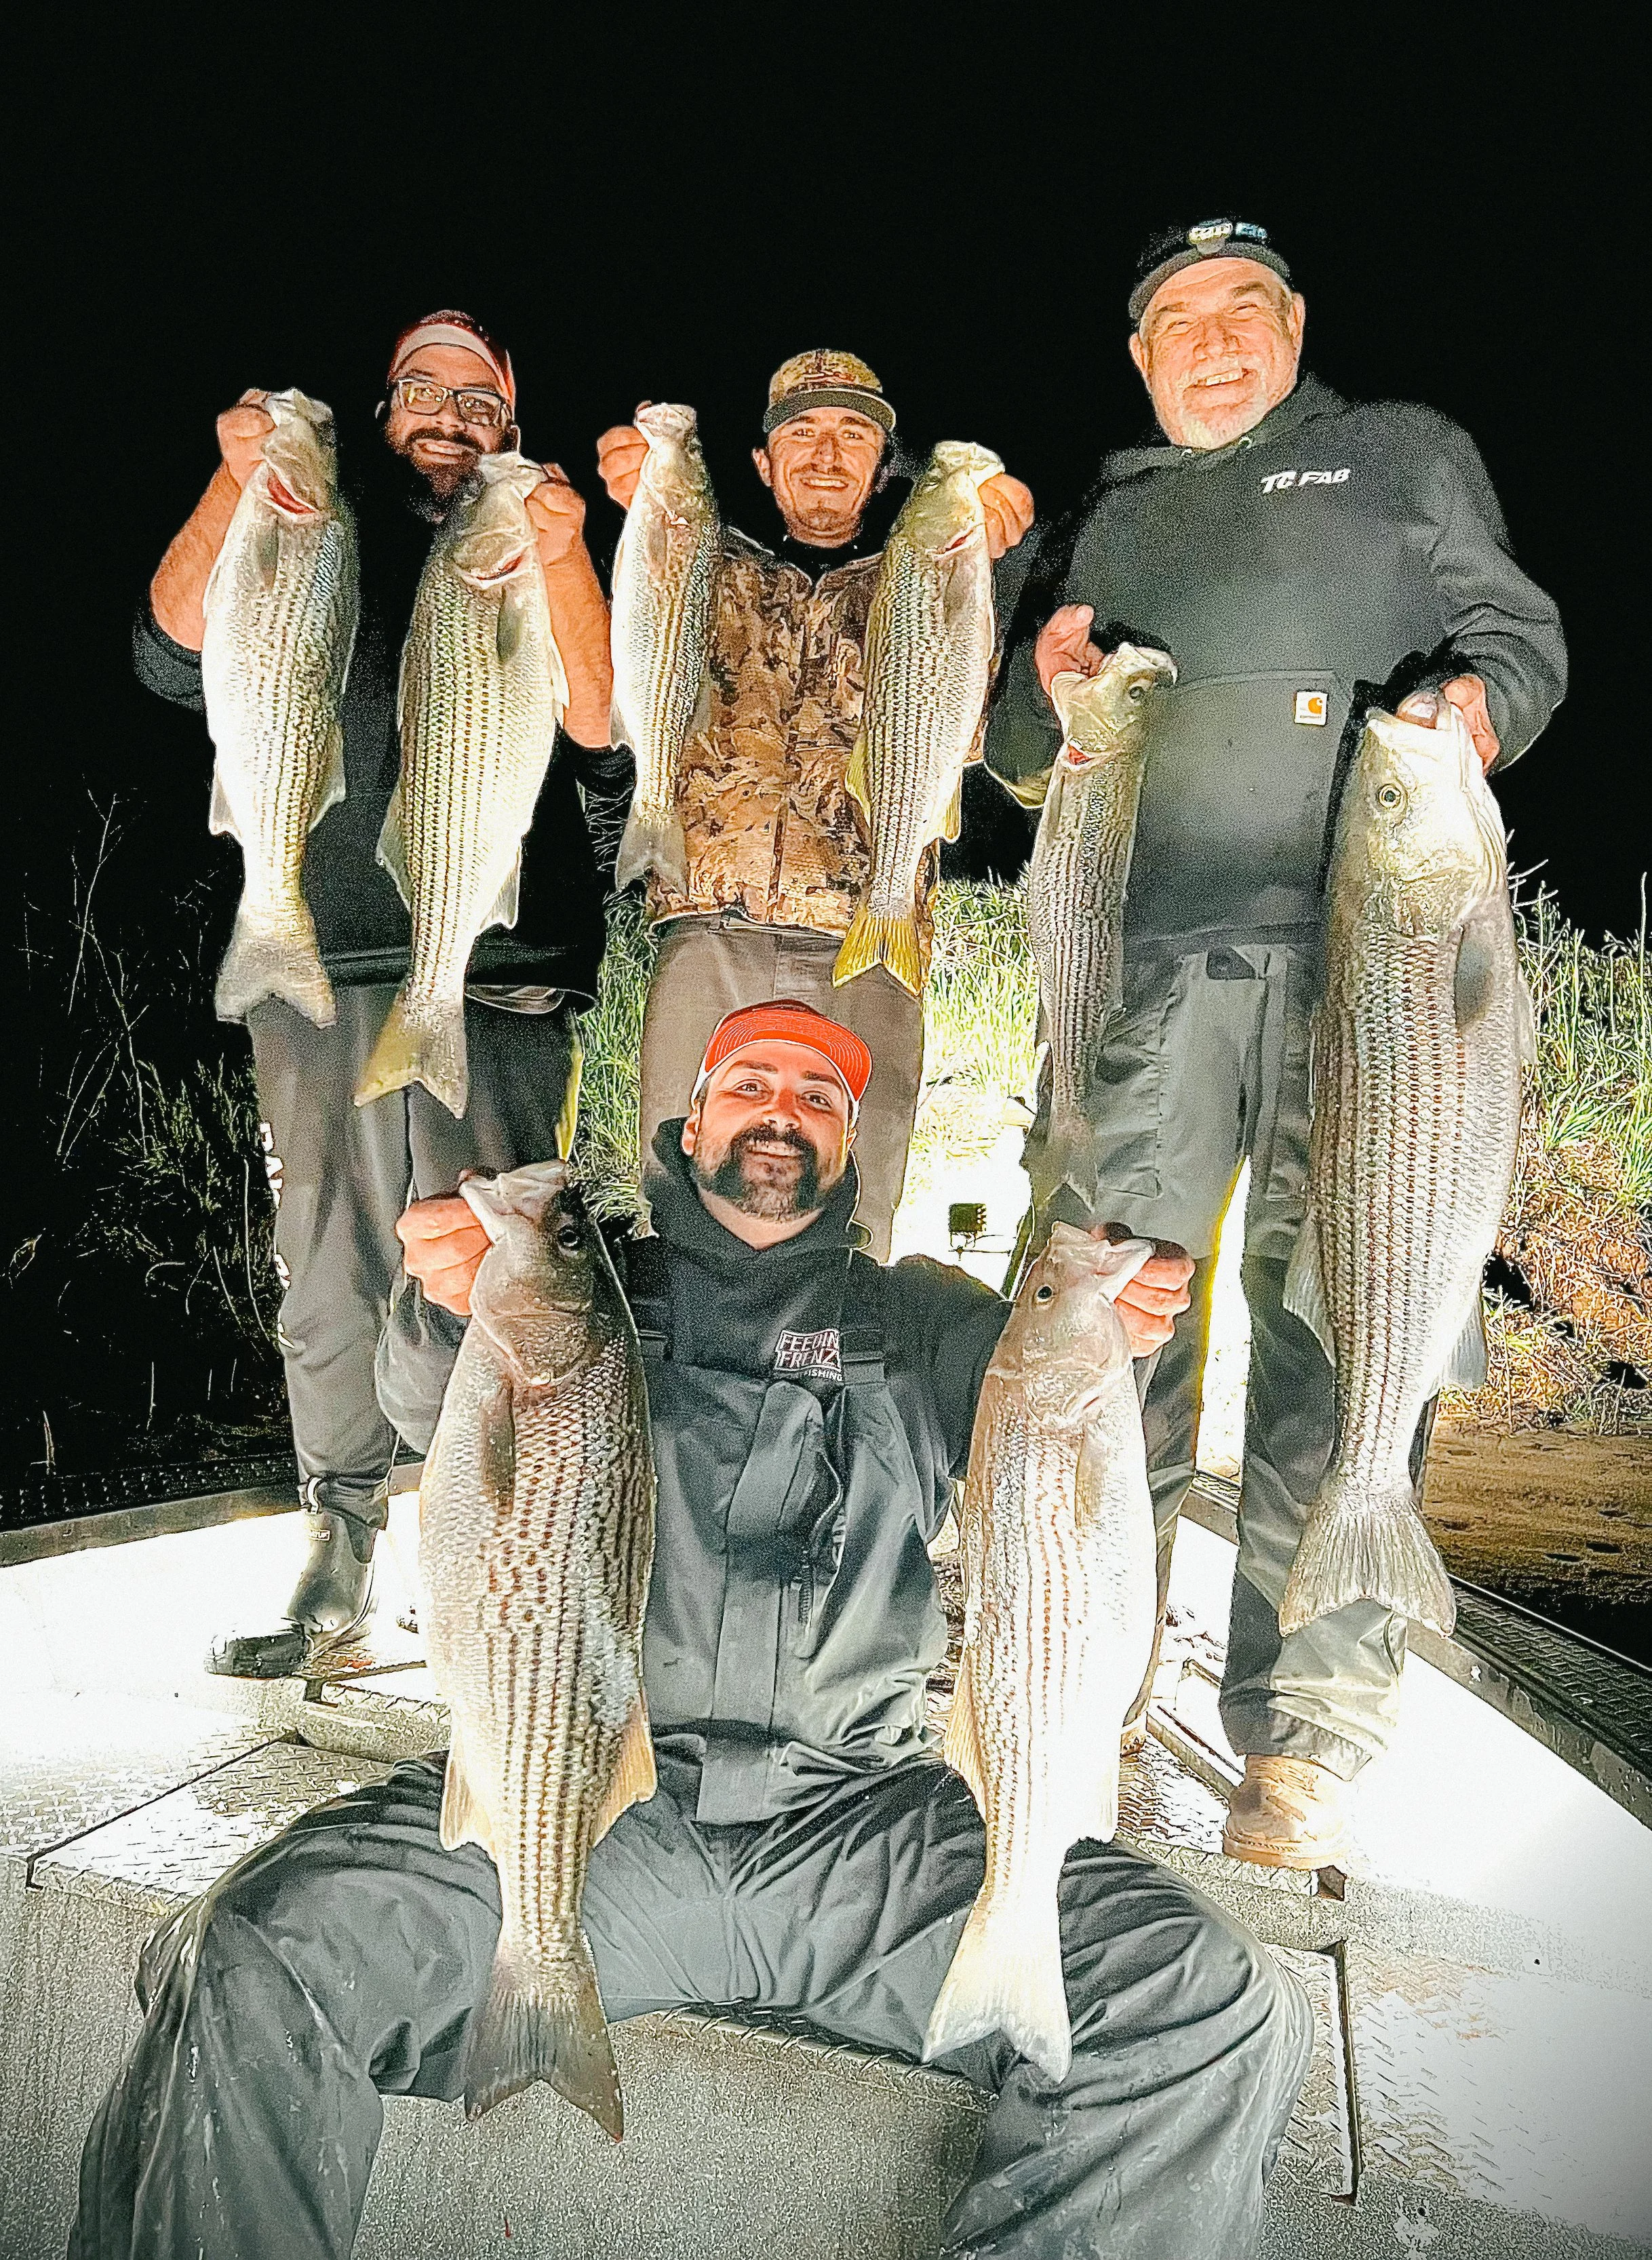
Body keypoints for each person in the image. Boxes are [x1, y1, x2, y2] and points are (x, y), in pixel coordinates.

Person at [70, 1003, 1313, 2260]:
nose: (782, 1113)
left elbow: (1063, 1442)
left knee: (1207, 2004)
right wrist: (450, 1303)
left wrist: (1122, 1325)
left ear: (849, 1147)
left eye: (819, 1098)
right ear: (696, 1115)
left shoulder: (930, 1325)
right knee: (249, 1950)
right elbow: (420, 1403)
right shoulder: (589, 1290)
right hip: (597, 1819)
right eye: (751, 1084)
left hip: (863, 1840)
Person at [987, 219, 1567, 1869]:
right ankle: (1077, 1681)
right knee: (1101, 1328)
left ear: (1294, 325)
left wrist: (1476, 709)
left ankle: (1300, 1742)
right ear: (1139, 357)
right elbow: (1024, 750)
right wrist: (1034, 685)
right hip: (1143, 973)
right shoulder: (1111, 507)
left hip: (1365, 969)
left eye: (1244, 311)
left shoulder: (1398, 455)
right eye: (1178, 322)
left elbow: (1516, 640)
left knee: (1346, 1332)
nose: (1214, 340)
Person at [138, 310, 627, 1675]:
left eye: (477, 393)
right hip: (318, 958)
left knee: (498, 1272)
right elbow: (168, 653)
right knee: (328, 1267)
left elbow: (603, 729)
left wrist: (565, 549)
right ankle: (343, 1550)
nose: (448, 410)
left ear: (512, 413)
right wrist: (241, 479)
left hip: (501, 967)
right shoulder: (316, 529)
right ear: (385, 406)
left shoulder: (538, 537)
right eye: (422, 387)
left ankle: (513, 1551)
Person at [595, 352, 1036, 1259]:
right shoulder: (699, 562)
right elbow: (618, 672)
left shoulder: (928, 577)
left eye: (855, 437)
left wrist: (1005, 552)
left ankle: (837, 1390)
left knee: (853, 1217)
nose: (828, 457)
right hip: (706, 930)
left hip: (866, 940)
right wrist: (642, 489)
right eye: (801, 434)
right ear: (760, 465)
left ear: (885, 468)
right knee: (680, 1211)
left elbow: (985, 732)